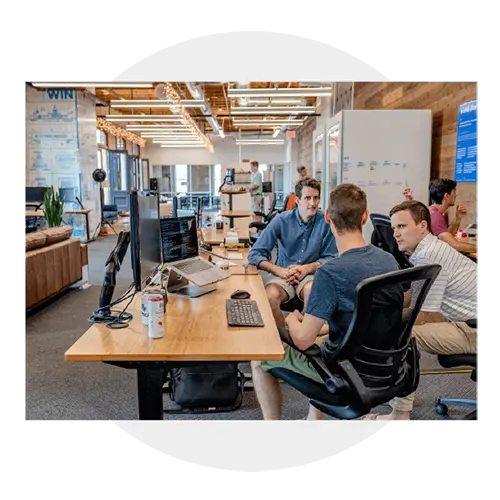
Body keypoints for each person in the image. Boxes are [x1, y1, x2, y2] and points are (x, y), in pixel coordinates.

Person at [251, 183, 404, 420]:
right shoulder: (389, 261)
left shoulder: (329, 273)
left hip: (344, 372)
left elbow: (302, 341)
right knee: (323, 337)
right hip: (387, 366)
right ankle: (314, 420)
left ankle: (275, 433)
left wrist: (292, 319)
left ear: (328, 218)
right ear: (365, 217)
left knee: (259, 360)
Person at [362, 200, 479, 423]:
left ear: (423, 225)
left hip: (473, 329)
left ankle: (400, 414)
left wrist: (374, 321)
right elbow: (414, 297)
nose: (395, 234)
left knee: (404, 335)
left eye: (402, 227)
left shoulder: (429, 255)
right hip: (465, 320)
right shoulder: (428, 249)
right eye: (394, 227)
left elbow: (420, 316)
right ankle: (398, 394)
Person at [248, 177, 338, 331]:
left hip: (310, 275)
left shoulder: (326, 222)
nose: (313, 203)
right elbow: (255, 254)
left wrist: (308, 268)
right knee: (270, 297)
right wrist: (280, 271)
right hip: (284, 274)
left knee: (312, 292)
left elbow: (332, 257)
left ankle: (303, 337)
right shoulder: (281, 220)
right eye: (307, 198)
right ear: (297, 200)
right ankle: (284, 339)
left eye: (316, 198)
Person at [404, 179, 477, 253]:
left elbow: (447, 237)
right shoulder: (435, 216)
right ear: (447, 195)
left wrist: (458, 218)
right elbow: (454, 245)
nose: (456, 194)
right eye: (454, 191)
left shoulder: (431, 211)